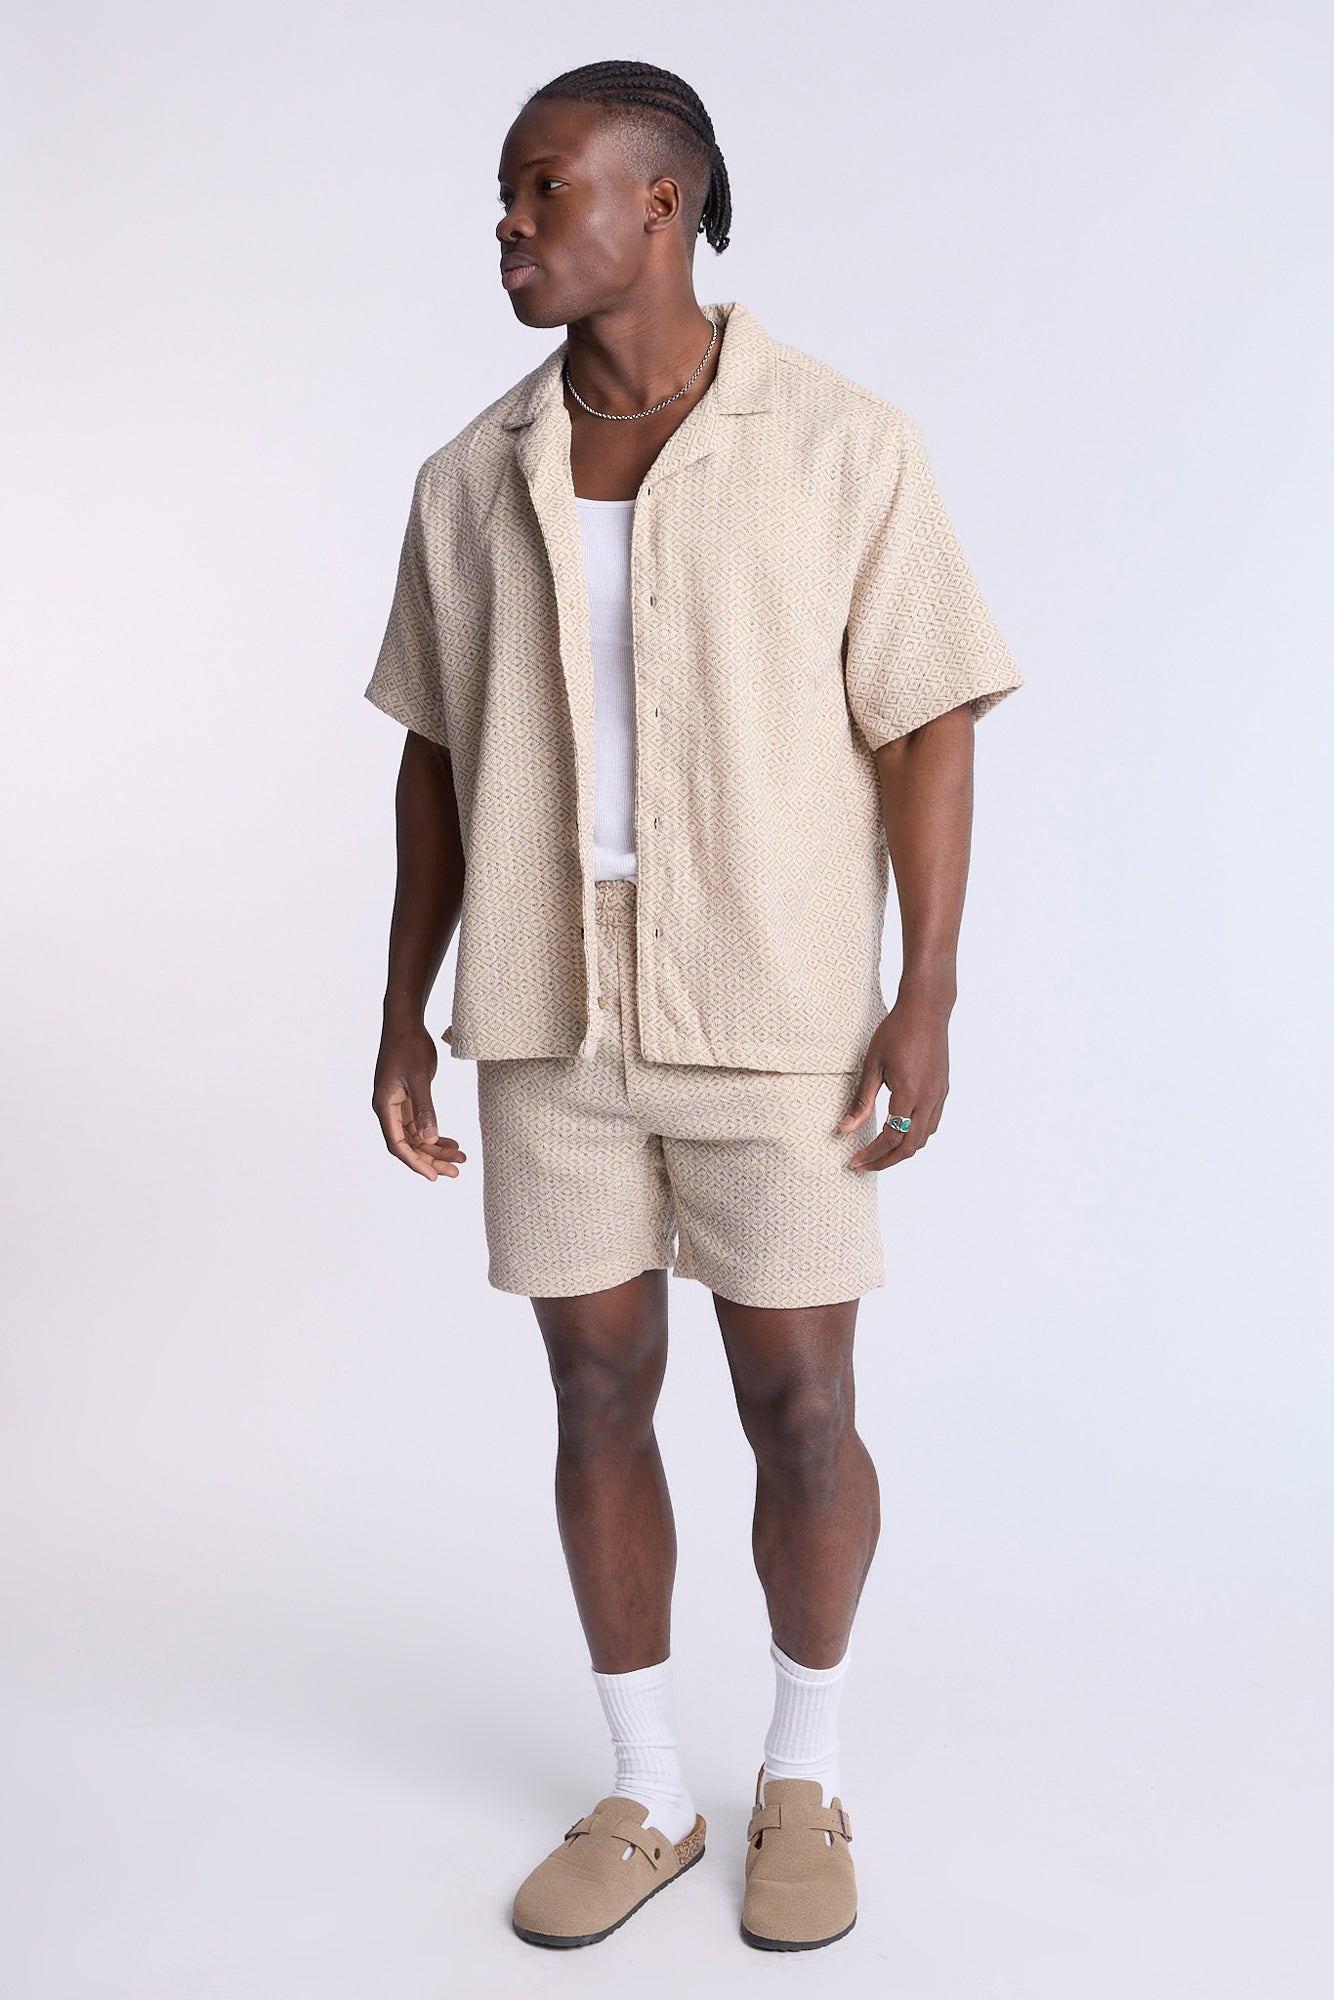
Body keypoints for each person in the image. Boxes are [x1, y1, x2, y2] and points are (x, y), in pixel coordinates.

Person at [365, 58, 1023, 1954]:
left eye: (540, 189)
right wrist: (402, 1007)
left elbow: (928, 721)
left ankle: (800, 1773)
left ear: (657, 203)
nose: (507, 225)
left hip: (776, 999)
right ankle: (648, 1786)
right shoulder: (468, 476)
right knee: (593, 1388)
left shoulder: (841, 443)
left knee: (798, 1403)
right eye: (505, 195)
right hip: (545, 1009)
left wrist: (925, 994)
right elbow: (432, 759)